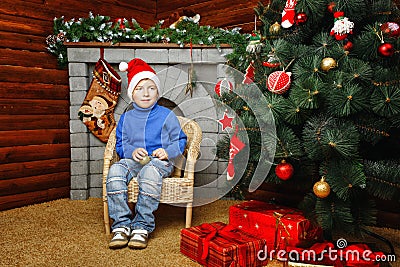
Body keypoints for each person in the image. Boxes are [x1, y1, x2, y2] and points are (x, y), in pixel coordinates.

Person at [106, 58, 187, 249]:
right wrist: (131, 151)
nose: (145, 93)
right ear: (132, 93)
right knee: (115, 171)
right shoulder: (126, 118)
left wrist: (167, 151)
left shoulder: (166, 115)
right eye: (139, 88)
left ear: (158, 92)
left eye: (151, 88)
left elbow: (181, 141)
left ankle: (142, 226)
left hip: (158, 162)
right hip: (134, 161)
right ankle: (121, 225)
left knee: (150, 173)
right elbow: (121, 144)